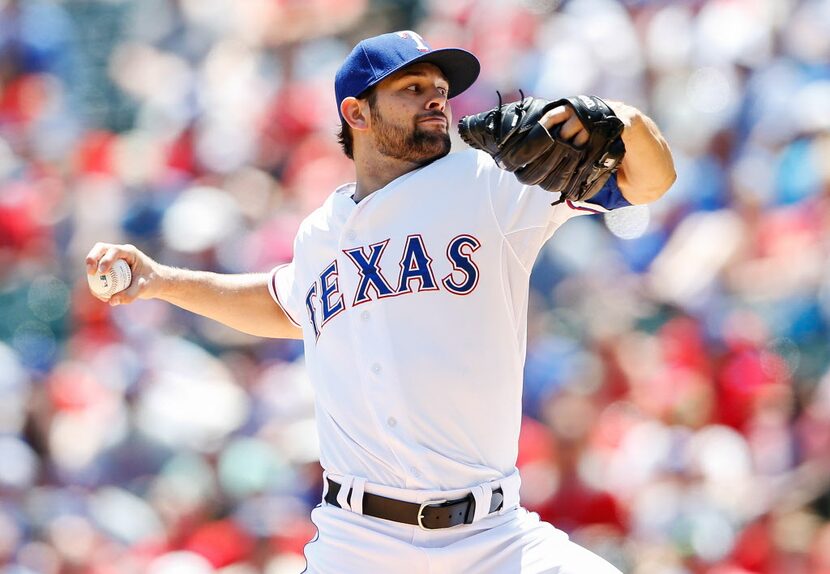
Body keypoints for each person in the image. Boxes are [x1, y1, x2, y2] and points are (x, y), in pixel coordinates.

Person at [86, 30, 675, 574]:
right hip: (359, 542)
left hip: (493, 537)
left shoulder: (491, 183)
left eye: (440, 90)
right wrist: (161, 280)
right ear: (355, 111)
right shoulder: (322, 230)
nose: (435, 99)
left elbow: (649, 183)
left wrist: (619, 120)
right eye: (412, 88)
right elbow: (281, 304)